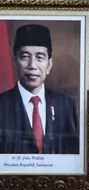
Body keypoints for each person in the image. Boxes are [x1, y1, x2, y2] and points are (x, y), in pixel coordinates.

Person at [0, 24, 80, 155]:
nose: (32, 66)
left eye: (40, 57)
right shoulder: (2, 105)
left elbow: (73, 154)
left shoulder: (65, 105)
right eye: (25, 57)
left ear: (49, 65)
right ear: (14, 62)